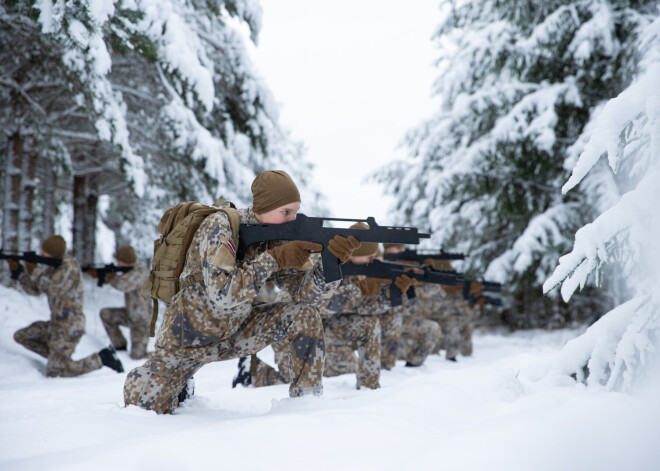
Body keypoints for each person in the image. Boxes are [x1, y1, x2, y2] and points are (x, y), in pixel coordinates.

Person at [123, 170, 359, 414]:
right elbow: (222, 293)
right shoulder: (220, 226)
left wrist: (330, 264)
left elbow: (307, 297)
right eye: (285, 212)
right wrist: (274, 259)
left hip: (236, 330)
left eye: (295, 211)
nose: (292, 219)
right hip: (189, 338)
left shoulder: (275, 240)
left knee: (304, 315)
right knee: (142, 406)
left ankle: (306, 403)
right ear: (264, 206)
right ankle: (181, 382)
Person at [9, 235, 124, 377]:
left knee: (55, 372)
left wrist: (34, 270)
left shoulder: (68, 267)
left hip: (69, 326)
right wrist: (19, 273)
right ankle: (58, 359)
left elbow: (52, 289)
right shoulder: (54, 267)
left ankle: (102, 359)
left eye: (45, 252)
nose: (42, 254)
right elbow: (35, 290)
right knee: (22, 336)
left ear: (54, 253)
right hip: (56, 324)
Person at [382, 243, 441, 367]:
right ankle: (385, 364)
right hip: (384, 321)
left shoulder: (409, 267)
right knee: (394, 320)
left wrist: (425, 274)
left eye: (401, 248)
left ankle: (414, 364)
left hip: (405, 321)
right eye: (396, 247)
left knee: (432, 328)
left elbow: (433, 290)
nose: (400, 250)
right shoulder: (380, 264)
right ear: (387, 249)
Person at [92, 246, 151, 359]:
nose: (117, 263)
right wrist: (101, 275)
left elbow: (123, 285)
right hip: (129, 314)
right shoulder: (130, 270)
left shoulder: (141, 272)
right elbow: (121, 279)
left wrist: (110, 277)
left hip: (141, 321)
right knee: (106, 314)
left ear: (126, 261)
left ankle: (166, 357)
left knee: (137, 357)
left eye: (119, 261)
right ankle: (120, 347)